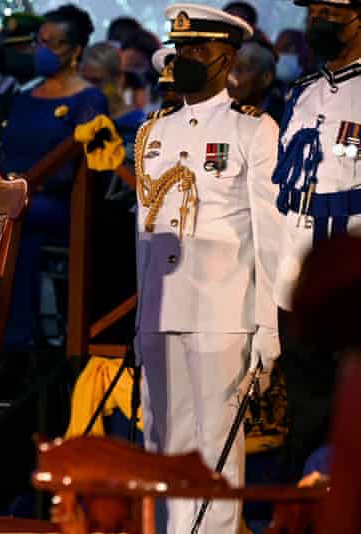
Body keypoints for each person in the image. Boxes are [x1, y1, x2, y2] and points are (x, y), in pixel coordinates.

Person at [134, 4, 281, 533]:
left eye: (199, 50)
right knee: (163, 441)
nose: (187, 59)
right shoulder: (154, 132)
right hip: (160, 306)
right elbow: (145, 237)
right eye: (181, 50)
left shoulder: (252, 129)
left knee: (218, 447)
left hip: (224, 308)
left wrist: (267, 325)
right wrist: (140, 316)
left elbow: (269, 234)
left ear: (227, 58)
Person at [271, 0, 361, 482]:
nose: (317, 21)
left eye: (330, 10)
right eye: (314, 11)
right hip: (296, 284)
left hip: (351, 288)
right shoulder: (303, 93)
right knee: (303, 423)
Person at [0, 4, 108, 348]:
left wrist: (29, 185)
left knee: (13, 217)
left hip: (59, 201)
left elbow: (83, 163)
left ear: (75, 50)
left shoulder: (89, 99)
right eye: (40, 41)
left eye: (54, 43)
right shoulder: (24, 94)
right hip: (12, 192)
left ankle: (18, 334)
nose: (43, 50)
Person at [228, 39, 286, 123]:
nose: (230, 77)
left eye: (241, 69)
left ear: (266, 78)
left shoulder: (283, 117)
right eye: (229, 67)